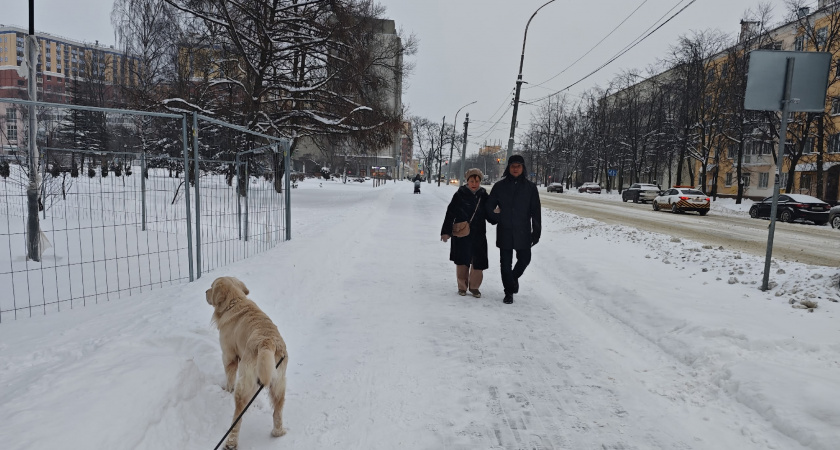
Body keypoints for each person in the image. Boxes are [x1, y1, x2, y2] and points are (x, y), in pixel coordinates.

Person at [485, 154, 541, 304]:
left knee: (525, 259)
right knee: (505, 264)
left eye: (518, 166)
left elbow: (536, 211)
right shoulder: (499, 186)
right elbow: (489, 207)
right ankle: (508, 292)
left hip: (523, 230)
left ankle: (513, 279)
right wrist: (496, 218)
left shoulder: (530, 188)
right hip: (505, 230)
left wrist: (536, 233)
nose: (515, 169)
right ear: (508, 168)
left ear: (523, 168)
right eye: (513, 166)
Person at [440, 168, 495, 297]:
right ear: (467, 181)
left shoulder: (484, 196)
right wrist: (446, 232)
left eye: (476, 181)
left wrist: (496, 214)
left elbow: (489, 214)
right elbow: (450, 213)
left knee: (478, 262)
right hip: (462, 234)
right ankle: (462, 287)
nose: (474, 183)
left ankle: (475, 287)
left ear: (480, 181)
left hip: (479, 234)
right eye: (471, 181)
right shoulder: (460, 194)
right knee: (462, 261)